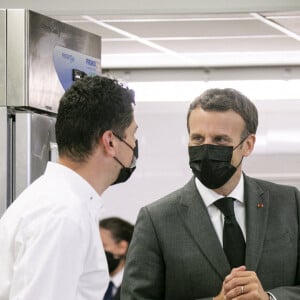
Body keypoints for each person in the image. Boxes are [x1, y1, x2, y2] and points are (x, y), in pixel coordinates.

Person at [121, 88, 300, 300]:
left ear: (248, 145)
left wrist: (270, 298)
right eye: (197, 138)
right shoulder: (157, 219)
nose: (206, 148)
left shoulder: (289, 203)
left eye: (220, 140)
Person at [0, 75, 138, 300]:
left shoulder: (59, 202)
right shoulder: (64, 215)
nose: (133, 145)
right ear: (110, 141)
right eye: (133, 134)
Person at [99, 217, 134, 300]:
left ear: (122, 247)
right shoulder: (90, 283)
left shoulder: (136, 287)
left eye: (102, 245)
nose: (97, 251)